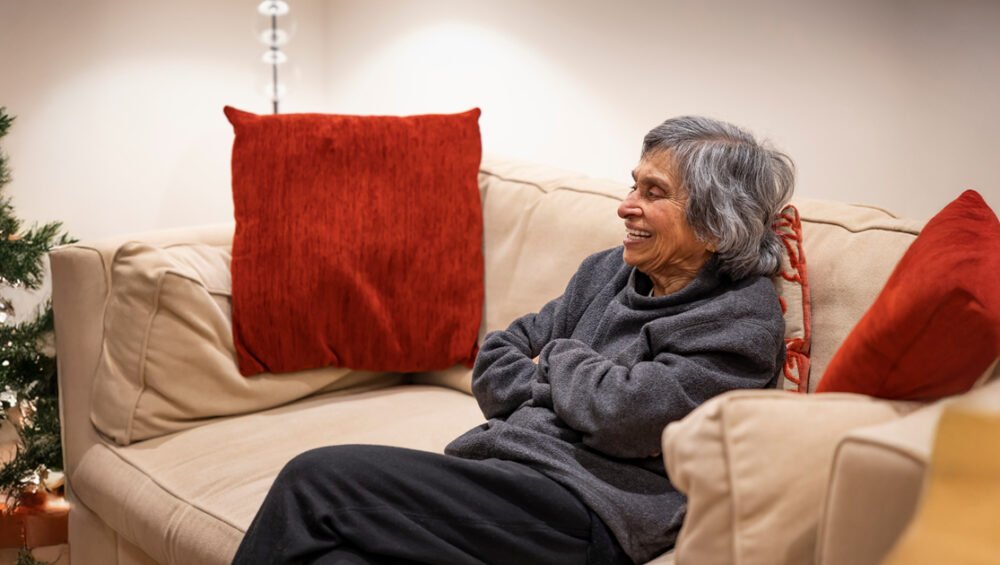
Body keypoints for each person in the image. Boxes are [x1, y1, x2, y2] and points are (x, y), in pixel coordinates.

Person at [232, 116, 795, 565]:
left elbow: (628, 416)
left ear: (718, 225)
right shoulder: (607, 271)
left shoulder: (738, 320)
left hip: (587, 512)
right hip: (503, 477)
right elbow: (496, 360)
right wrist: (582, 391)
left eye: (654, 192)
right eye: (633, 184)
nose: (627, 205)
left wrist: (555, 355)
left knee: (318, 480)